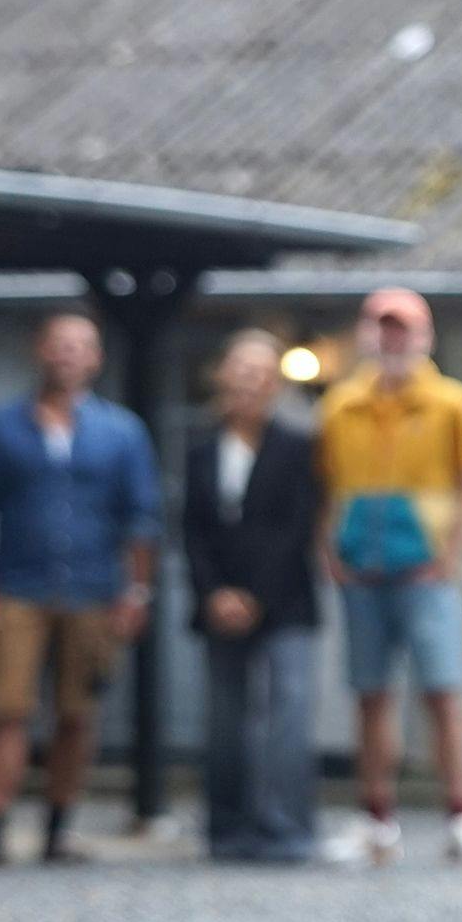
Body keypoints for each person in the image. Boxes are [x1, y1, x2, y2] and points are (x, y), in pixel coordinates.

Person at [0, 308, 159, 869]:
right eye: (58, 344)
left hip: (92, 588)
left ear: (96, 358)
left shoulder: (122, 432)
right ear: (39, 351)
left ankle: (58, 830)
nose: (67, 354)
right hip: (19, 585)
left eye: (80, 345)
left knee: (77, 713)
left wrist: (138, 592)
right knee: (4, 708)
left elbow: (141, 520)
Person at [314, 286, 462, 866]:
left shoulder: (451, 403)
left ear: (424, 337)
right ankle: (376, 816)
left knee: (443, 690)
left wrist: (451, 556)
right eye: (383, 328)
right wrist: (327, 549)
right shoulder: (341, 405)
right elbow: (326, 488)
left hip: (424, 570)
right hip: (363, 571)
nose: (393, 340)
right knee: (371, 695)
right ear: (368, 335)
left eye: (404, 330)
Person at [183, 326, 326, 862]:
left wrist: (255, 596)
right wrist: (215, 593)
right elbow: (192, 530)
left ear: (274, 385)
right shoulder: (200, 450)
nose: (247, 382)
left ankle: (287, 826)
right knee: (224, 718)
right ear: (221, 376)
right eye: (239, 370)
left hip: (284, 601)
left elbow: (296, 530)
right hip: (218, 604)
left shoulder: (296, 448)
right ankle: (225, 827)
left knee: (288, 711)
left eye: (260, 373)